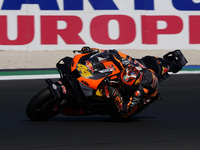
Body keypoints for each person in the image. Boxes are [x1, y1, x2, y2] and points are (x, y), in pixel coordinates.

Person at [79, 46, 160, 118]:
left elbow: (125, 109)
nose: (120, 85)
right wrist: (95, 51)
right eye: (121, 81)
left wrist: (117, 97)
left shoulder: (139, 92)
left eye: (124, 85)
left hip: (147, 94)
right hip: (143, 71)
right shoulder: (128, 65)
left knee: (123, 115)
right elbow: (113, 53)